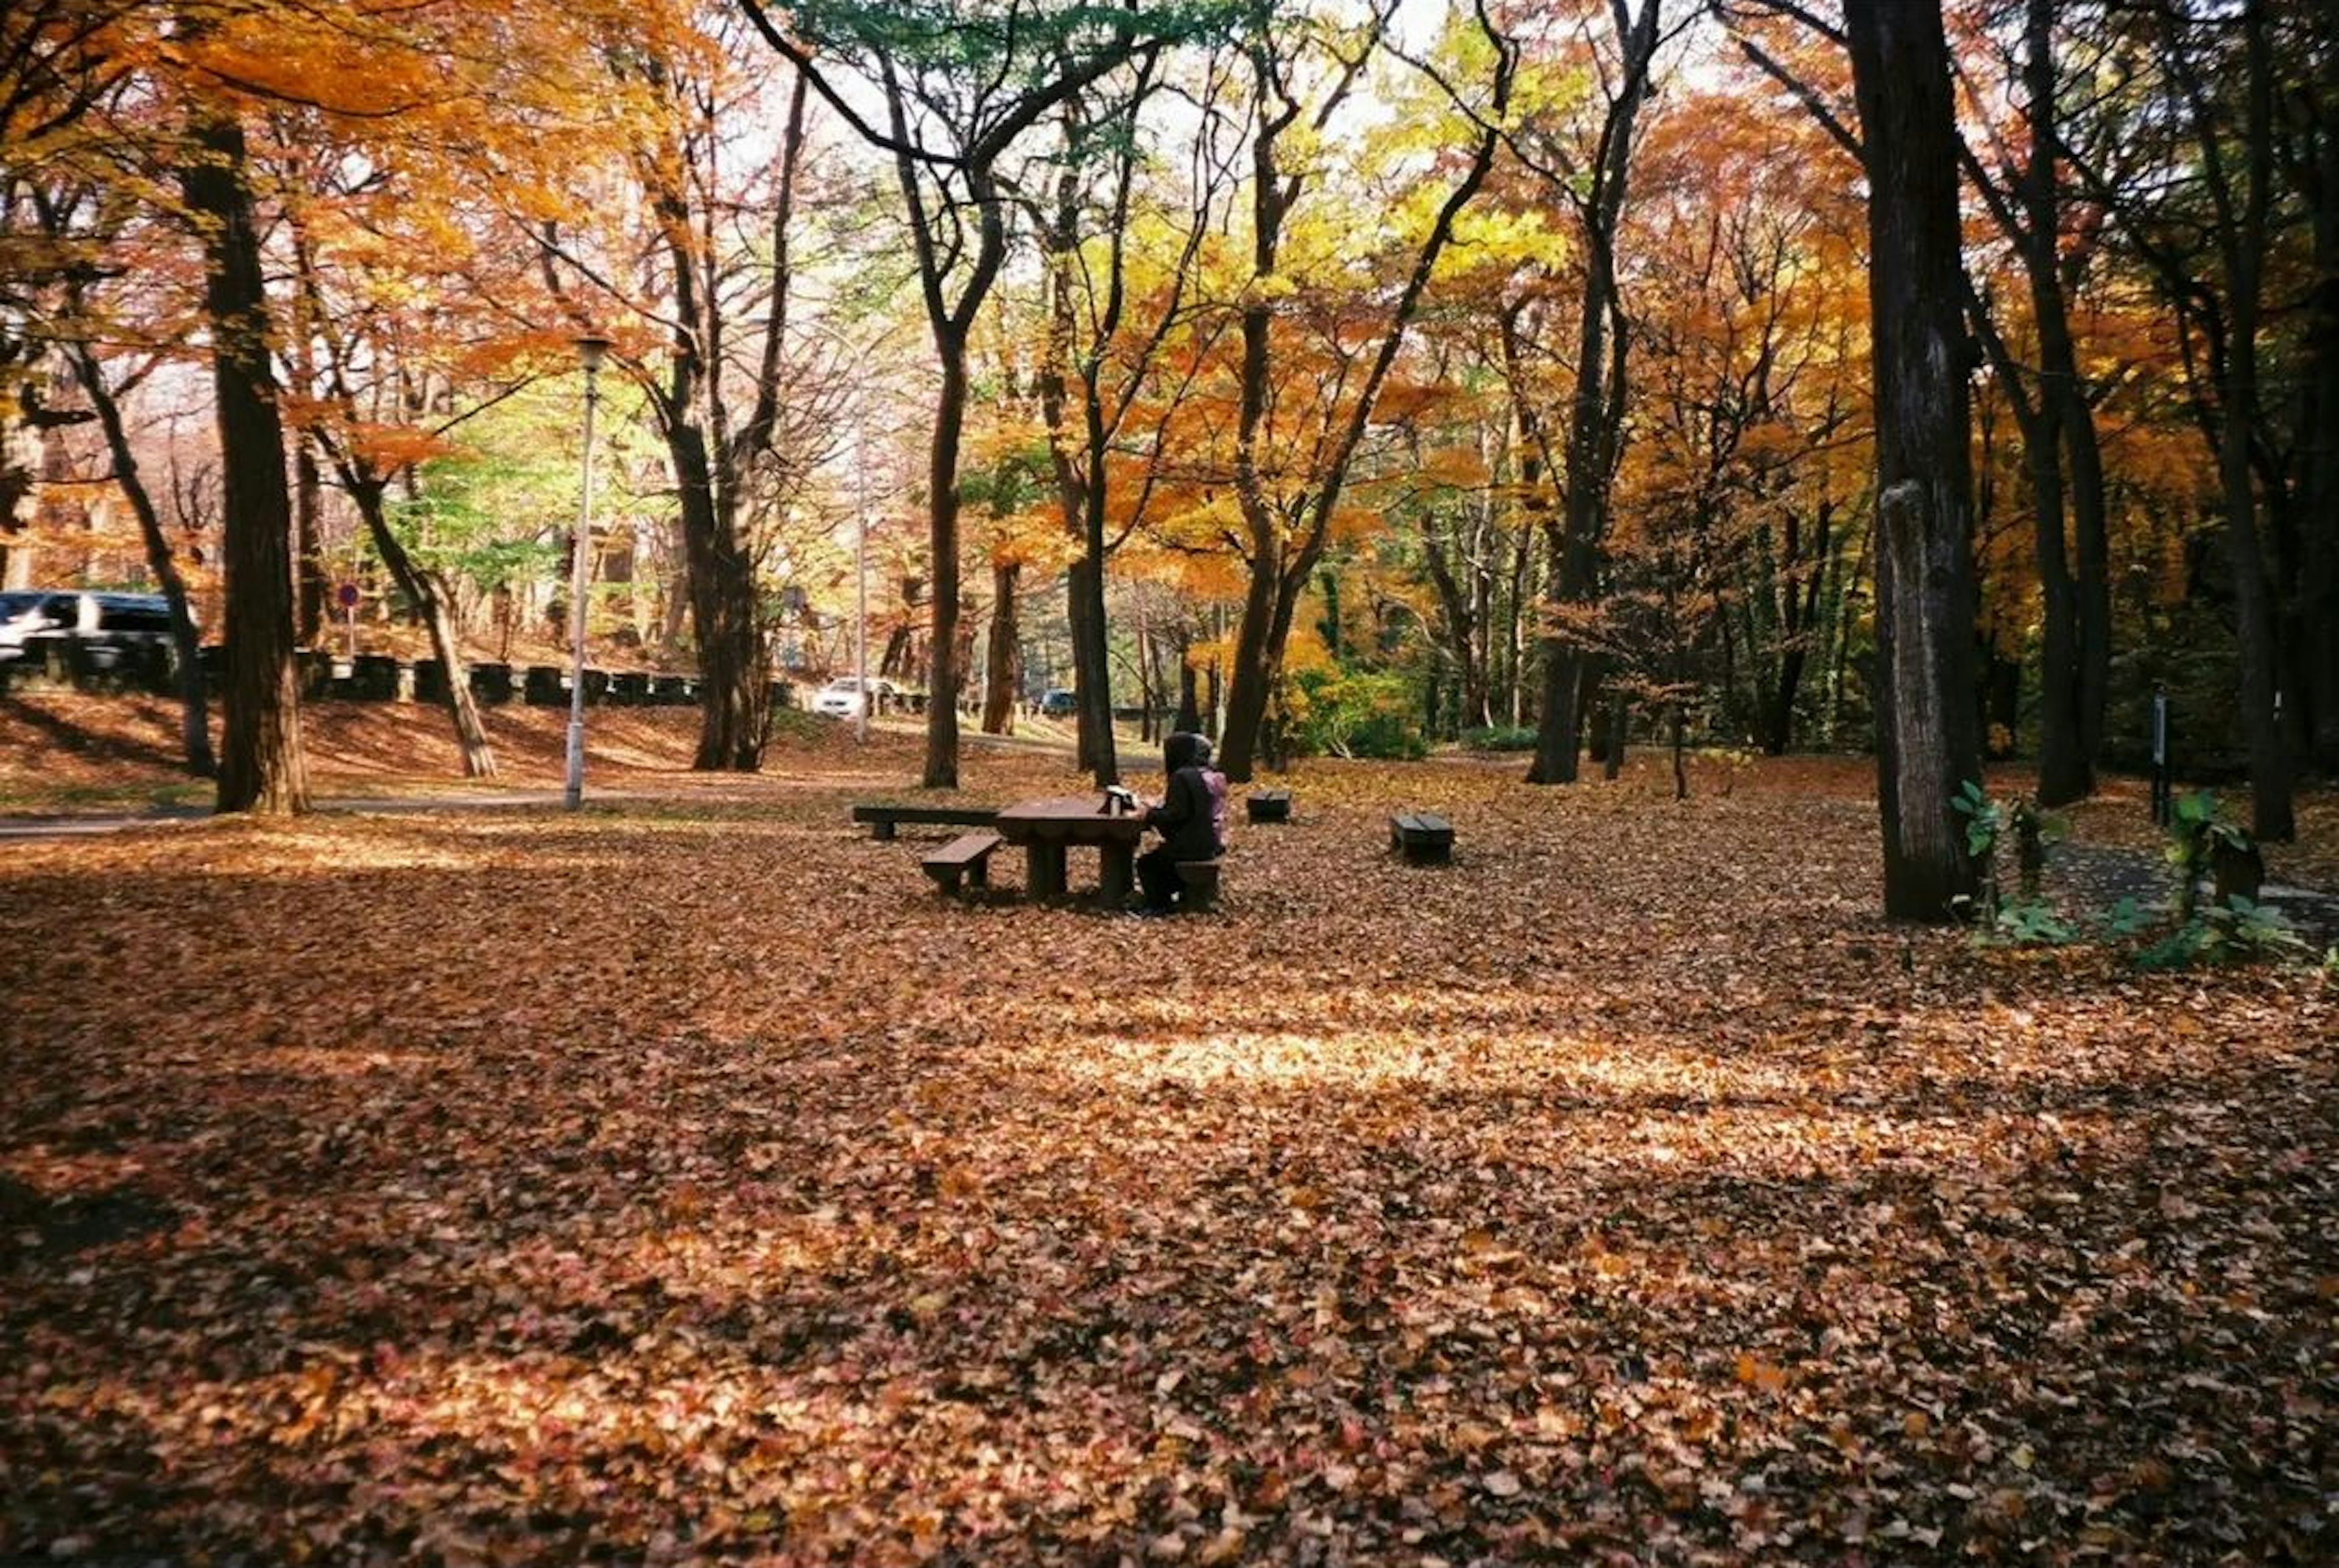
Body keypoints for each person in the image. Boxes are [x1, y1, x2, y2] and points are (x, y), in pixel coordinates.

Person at [1133, 730, 1227, 915]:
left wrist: (1149, 814)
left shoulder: (1181, 777)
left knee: (1147, 864)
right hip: (1209, 842)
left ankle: (1158, 905)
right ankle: (1177, 895)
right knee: (1160, 857)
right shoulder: (1204, 775)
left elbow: (1177, 814)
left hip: (1191, 845)